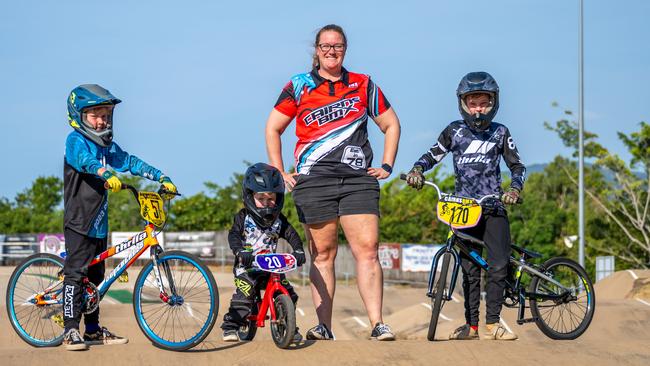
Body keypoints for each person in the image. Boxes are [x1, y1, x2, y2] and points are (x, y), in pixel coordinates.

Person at [266, 24, 401, 341]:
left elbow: (391, 124)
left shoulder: (362, 84)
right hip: (314, 181)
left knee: (367, 251)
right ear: (316, 49)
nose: (331, 51)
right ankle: (323, 327)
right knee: (323, 254)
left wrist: (386, 164)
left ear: (345, 49)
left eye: (337, 46)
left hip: (358, 180)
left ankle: (378, 324)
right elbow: (273, 128)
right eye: (325, 46)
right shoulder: (299, 85)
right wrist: (279, 172)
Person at [405, 71, 526, 341]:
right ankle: (471, 326)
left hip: (493, 206)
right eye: (473, 104)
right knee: (470, 272)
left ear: (493, 103)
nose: (478, 109)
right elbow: (432, 154)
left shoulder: (501, 133)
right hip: (464, 209)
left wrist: (514, 189)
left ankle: (493, 324)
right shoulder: (454, 131)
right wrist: (417, 170)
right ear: (463, 104)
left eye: (483, 103)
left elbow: (517, 166)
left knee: (496, 266)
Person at [63, 84, 177, 351]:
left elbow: (129, 161)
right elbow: (84, 161)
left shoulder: (107, 145)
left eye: (105, 114)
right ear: (80, 116)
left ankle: (92, 331)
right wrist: (104, 173)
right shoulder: (76, 141)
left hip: (99, 223)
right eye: (95, 115)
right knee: (76, 274)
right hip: (79, 221)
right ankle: (70, 330)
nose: (102, 120)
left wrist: (161, 176)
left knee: (96, 278)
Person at [221, 163, 306, 342]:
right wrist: (239, 251)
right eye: (261, 198)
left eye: (271, 199)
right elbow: (234, 235)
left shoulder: (279, 219)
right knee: (245, 295)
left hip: (271, 268)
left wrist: (298, 250)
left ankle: (288, 326)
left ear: (279, 197)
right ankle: (230, 326)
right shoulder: (244, 217)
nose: (267, 203)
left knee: (289, 293)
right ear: (250, 197)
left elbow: (291, 234)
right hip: (247, 267)